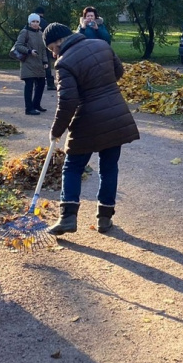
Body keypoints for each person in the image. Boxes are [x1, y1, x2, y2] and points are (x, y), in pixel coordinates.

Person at [43, 22, 140, 236]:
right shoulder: (102, 45)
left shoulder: (64, 63)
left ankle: (68, 217)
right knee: (109, 167)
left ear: (59, 41)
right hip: (116, 115)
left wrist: (56, 131)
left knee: (72, 166)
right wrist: (101, 86)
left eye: (51, 48)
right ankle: (105, 219)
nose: (52, 53)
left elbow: (68, 102)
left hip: (87, 119)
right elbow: (118, 72)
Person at [14, 13, 48, 115]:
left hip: (38, 63)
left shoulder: (41, 33)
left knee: (41, 84)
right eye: (33, 21)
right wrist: (29, 51)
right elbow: (18, 45)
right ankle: (28, 108)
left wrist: (45, 61)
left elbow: (43, 50)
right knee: (29, 86)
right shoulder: (25, 32)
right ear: (29, 22)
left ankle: (36, 104)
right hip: (28, 63)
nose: (35, 23)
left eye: (37, 21)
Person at [35, 6, 57, 91]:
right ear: (42, 13)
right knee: (47, 65)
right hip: (44, 46)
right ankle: (50, 84)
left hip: (34, 46)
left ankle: (36, 82)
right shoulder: (44, 22)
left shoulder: (31, 22)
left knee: (36, 64)